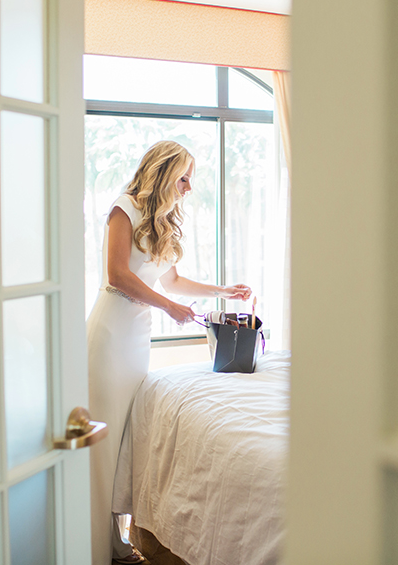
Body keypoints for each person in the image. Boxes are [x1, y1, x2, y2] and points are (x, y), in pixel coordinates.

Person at [87, 140, 251, 564]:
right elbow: (118, 274)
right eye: (183, 177)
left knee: (123, 435)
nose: (189, 187)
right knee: (103, 443)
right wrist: (168, 308)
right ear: (163, 172)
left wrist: (222, 289)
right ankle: (99, 546)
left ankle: (119, 538)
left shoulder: (163, 221)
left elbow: (172, 282)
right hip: (111, 333)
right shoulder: (124, 209)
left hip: (136, 338)